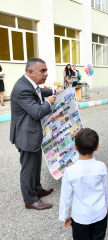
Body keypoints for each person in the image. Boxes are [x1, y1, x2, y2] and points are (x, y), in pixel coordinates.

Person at [10, 58, 61, 210]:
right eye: (42, 71)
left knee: (36, 165)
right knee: (28, 168)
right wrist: (49, 102)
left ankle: (37, 189)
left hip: (32, 134)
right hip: (26, 136)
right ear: (31, 72)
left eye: (46, 70)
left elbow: (38, 92)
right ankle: (30, 200)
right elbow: (37, 111)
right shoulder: (22, 89)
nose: (46, 74)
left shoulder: (30, 84)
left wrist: (54, 91)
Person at [59, 128, 108, 240]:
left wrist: (64, 216)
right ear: (97, 147)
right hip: (99, 213)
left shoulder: (70, 171)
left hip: (80, 217)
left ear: (75, 147)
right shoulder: (101, 166)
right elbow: (106, 189)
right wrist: (106, 205)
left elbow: (65, 197)